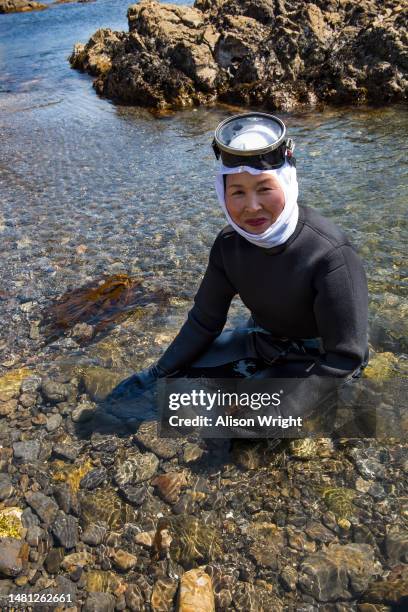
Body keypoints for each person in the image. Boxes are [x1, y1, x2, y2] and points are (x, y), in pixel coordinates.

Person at [108, 112, 369, 430]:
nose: (252, 206)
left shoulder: (331, 254)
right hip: (263, 341)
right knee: (176, 390)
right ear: (222, 193)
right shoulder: (228, 245)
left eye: (264, 188)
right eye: (238, 192)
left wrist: (278, 414)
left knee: (244, 430)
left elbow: (345, 356)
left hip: (322, 360)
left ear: (287, 182)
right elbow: (204, 322)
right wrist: (157, 372)